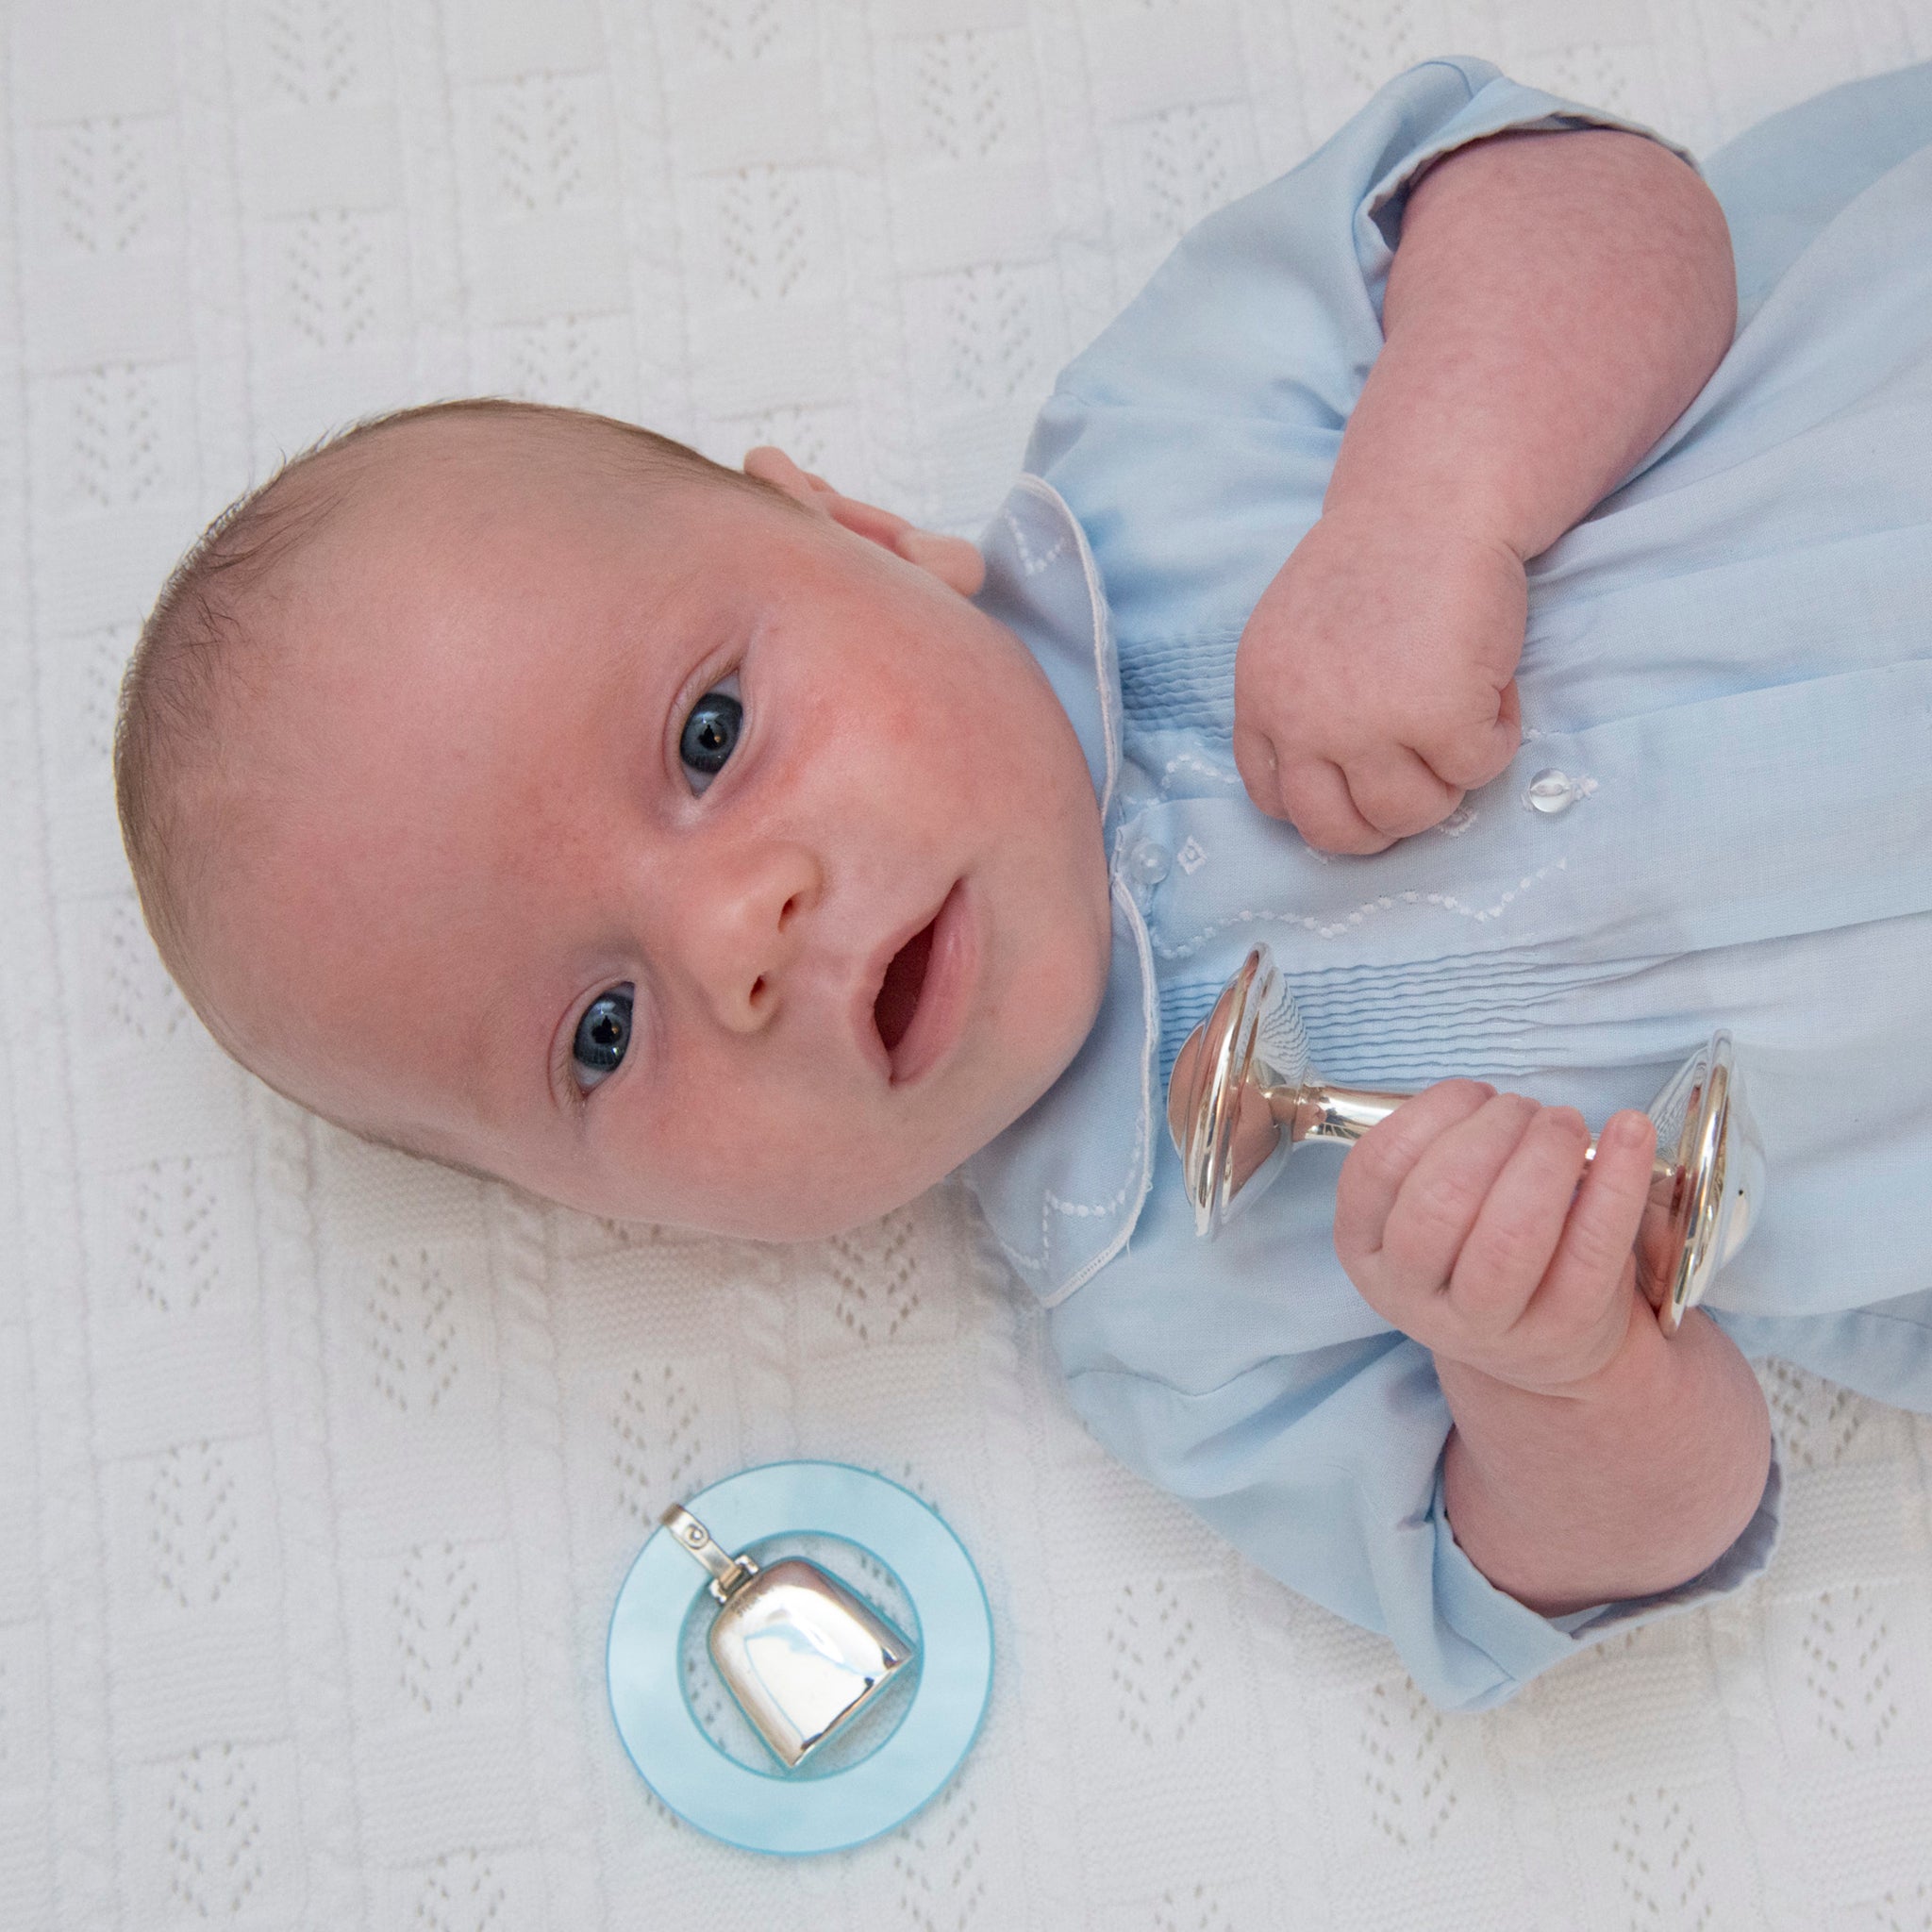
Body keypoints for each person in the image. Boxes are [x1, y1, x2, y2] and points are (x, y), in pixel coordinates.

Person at [112, 58, 1932, 1709]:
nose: (734, 936)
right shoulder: (1179, 1328)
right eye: (602, 1031)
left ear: (855, 534)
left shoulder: (1171, 445)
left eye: (709, 736)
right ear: (618, 1224)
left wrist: (1431, 507)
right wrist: (1555, 1372)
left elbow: (1597, 196)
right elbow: (1637, 1546)